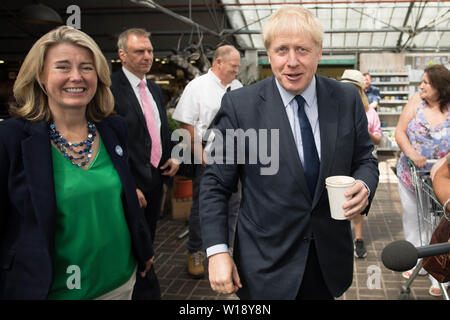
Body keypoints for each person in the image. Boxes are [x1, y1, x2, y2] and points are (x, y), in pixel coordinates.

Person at [200, 6, 379, 300]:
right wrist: (217, 251)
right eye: (282, 50)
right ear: (269, 54)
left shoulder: (346, 99)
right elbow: (215, 184)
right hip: (265, 266)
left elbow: (365, 160)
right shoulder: (239, 106)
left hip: (328, 262)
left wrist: (365, 185)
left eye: (302, 50)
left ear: (319, 52)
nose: (292, 62)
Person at [0, 26, 154, 299]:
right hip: (53, 291)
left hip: (121, 284)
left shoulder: (112, 128)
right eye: (62, 67)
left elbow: (124, 194)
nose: (76, 76)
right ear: (41, 76)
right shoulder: (10, 138)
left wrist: (143, 248)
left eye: (86, 67)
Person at [111, 28, 179, 300]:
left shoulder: (152, 88)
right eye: (140, 51)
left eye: (150, 51)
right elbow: (109, 141)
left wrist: (172, 157)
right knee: (129, 239)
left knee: (148, 235)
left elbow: (160, 130)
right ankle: (133, 287)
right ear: (122, 55)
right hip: (131, 183)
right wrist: (127, 184)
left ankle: (143, 279)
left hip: (155, 176)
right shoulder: (109, 89)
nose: (147, 56)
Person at [172, 45, 242, 278]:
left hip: (234, 157)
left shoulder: (238, 86)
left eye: (238, 67)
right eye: (233, 66)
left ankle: (226, 250)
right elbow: (185, 125)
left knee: (232, 207)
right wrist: (198, 152)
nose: (236, 70)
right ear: (218, 62)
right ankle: (195, 252)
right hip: (208, 159)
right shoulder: (197, 87)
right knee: (203, 208)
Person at [395, 64, 450, 297]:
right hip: (412, 174)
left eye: (426, 82)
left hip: (443, 177)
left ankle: (438, 271)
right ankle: (413, 256)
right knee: (414, 217)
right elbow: (400, 131)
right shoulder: (416, 101)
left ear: (440, 87)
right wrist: (412, 154)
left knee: (440, 224)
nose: (421, 86)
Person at [341, 69, 382, 259]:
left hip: (359, 162)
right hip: (340, 161)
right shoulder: (332, 109)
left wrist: (365, 132)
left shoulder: (369, 112)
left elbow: (378, 139)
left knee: (355, 199)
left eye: (352, 88)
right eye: (344, 86)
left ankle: (358, 239)